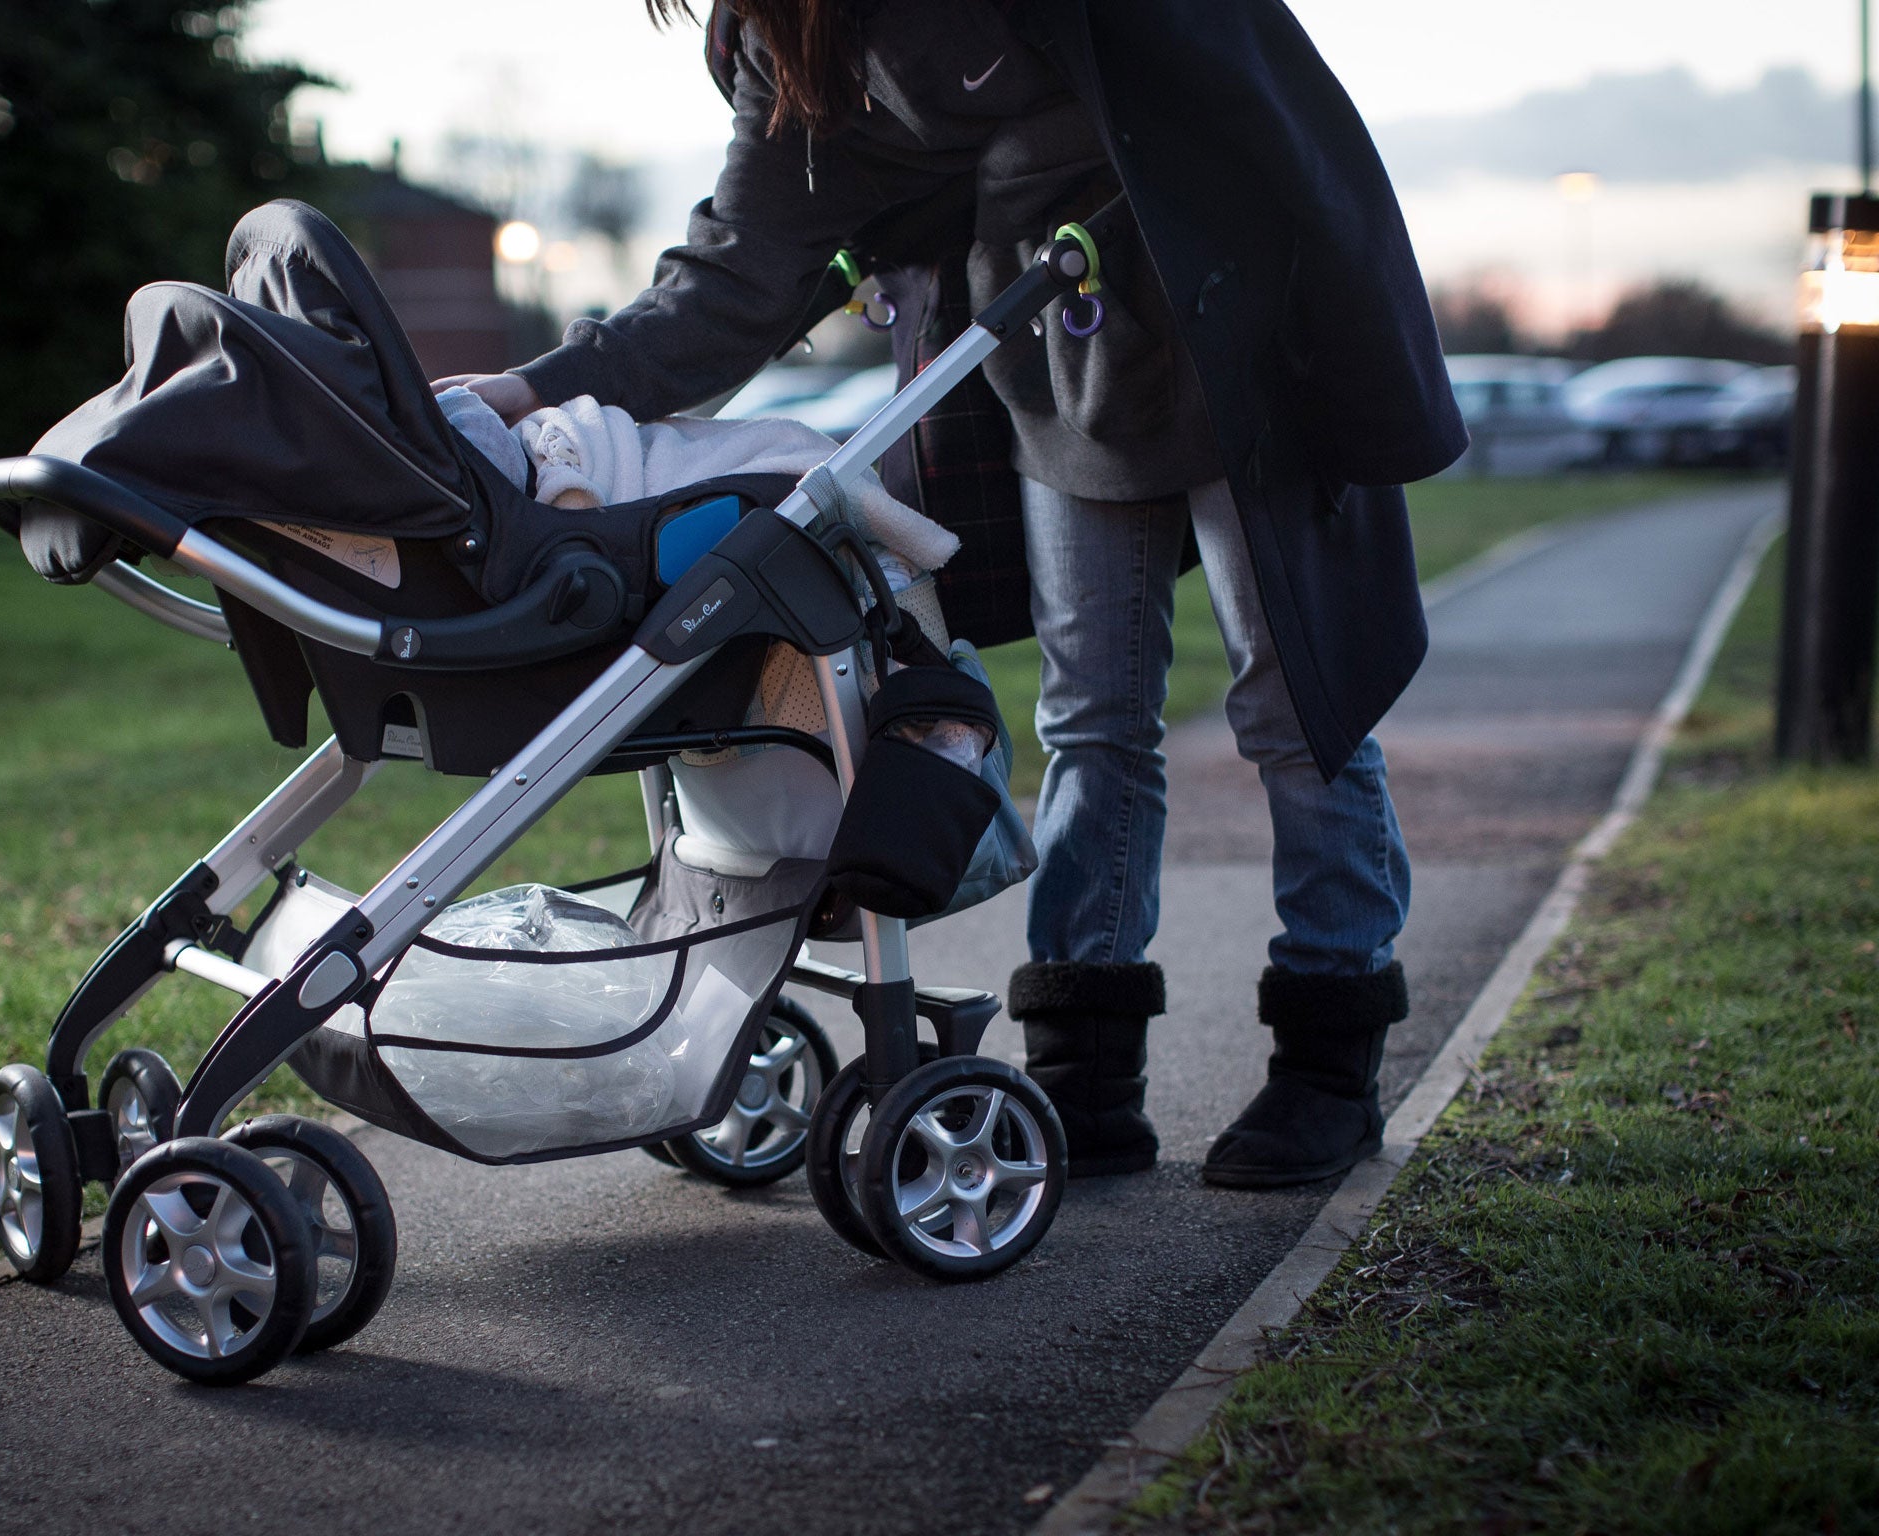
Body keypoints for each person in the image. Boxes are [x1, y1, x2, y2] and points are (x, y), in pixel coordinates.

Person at [438, 0, 1466, 1186]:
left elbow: (1240, 90)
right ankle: (1086, 1069)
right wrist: (529, 391)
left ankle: (1327, 1062)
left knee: (1294, 705)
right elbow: (735, 277)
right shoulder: (795, 49)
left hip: (1237, 317)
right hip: (1064, 354)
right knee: (1091, 715)